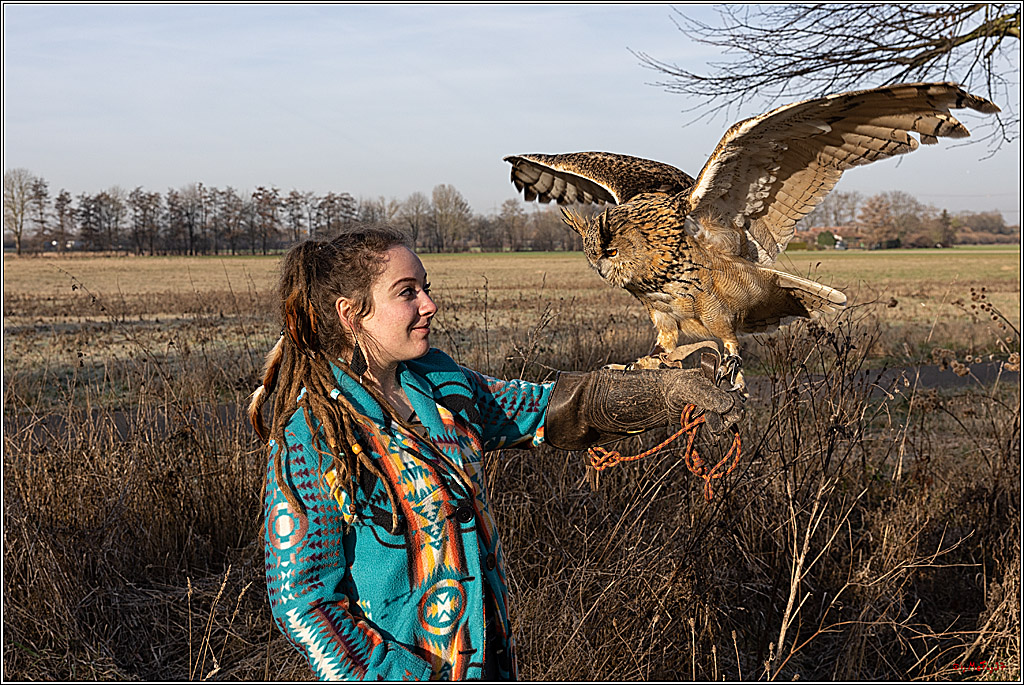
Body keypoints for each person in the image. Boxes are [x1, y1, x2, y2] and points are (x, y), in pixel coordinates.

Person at [250, 226, 743, 681]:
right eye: (407, 293)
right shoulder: (312, 436)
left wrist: (668, 392)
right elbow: (305, 604)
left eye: (425, 287)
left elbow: (552, 411)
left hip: (490, 665)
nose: (429, 305)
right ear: (350, 313)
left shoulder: (442, 386)